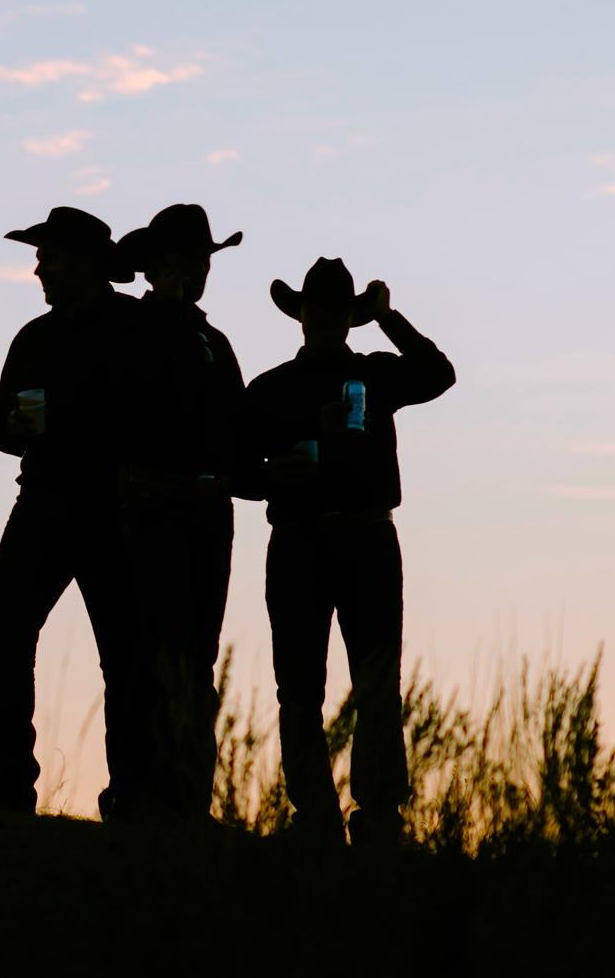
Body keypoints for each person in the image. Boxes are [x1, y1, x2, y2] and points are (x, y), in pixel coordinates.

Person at [245, 258, 455, 845]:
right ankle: (318, 812)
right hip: (306, 540)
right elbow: (232, 462)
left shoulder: (374, 375)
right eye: (320, 307)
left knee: (374, 680)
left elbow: (439, 373)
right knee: (302, 684)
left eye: (336, 309)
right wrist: (271, 475)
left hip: (361, 538)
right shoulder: (272, 389)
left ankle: (375, 814)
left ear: (344, 318)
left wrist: (390, 319)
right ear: (305, 314)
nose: (325, 318)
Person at [0, 207, 148, 816]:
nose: (38, 269)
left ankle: (128, 790)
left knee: (124, 655)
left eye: (48, 257)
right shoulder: (35, 337)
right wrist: (18, 427)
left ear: (81, 262)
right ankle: (9, 784)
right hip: (46, 501)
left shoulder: (136, 329)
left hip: (111, 509)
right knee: (9, 637)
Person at [113, 203, 247, 818]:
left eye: (206, 259)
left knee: (194, 658)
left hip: (205, 509)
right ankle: (146, 794)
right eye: (196, 258)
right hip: (155, 504)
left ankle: (186, 798)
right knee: (154, 655)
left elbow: (238, 431)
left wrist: (255, 477)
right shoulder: (136, 331)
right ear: (165, 264)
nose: (204, 269)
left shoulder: (212, 341)